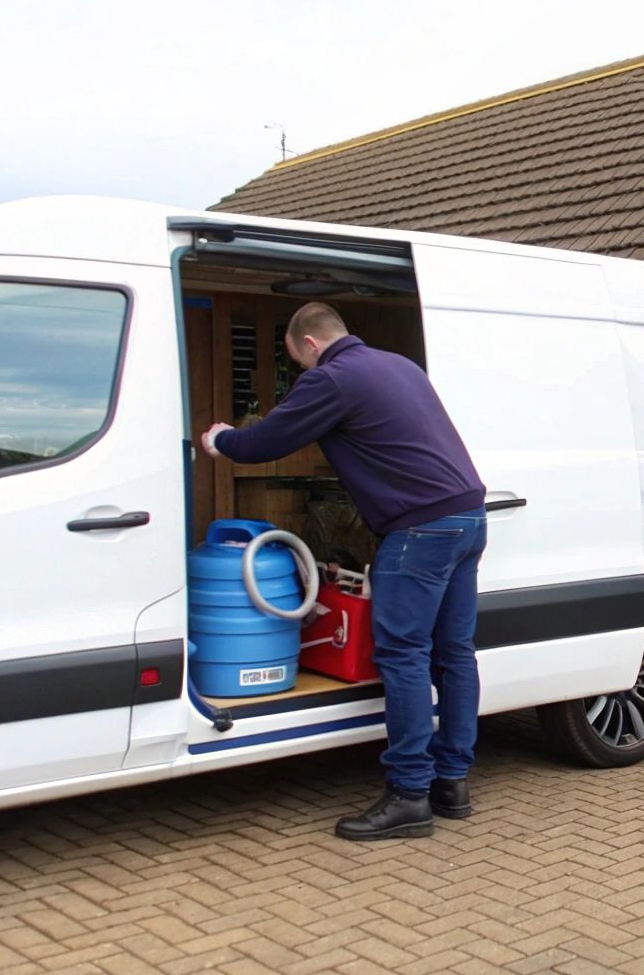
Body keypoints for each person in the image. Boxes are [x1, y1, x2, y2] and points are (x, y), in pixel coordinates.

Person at [202, 302, 487, 841]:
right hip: (467, 517)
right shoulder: (399, 365)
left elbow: (267, 441)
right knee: (454, 653)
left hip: (421, 530)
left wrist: (221, 439)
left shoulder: (333, 377)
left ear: (310, 344)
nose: (303, 373)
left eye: (298, 363)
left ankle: (408, 796)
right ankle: (452, 782)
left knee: (403, 655)